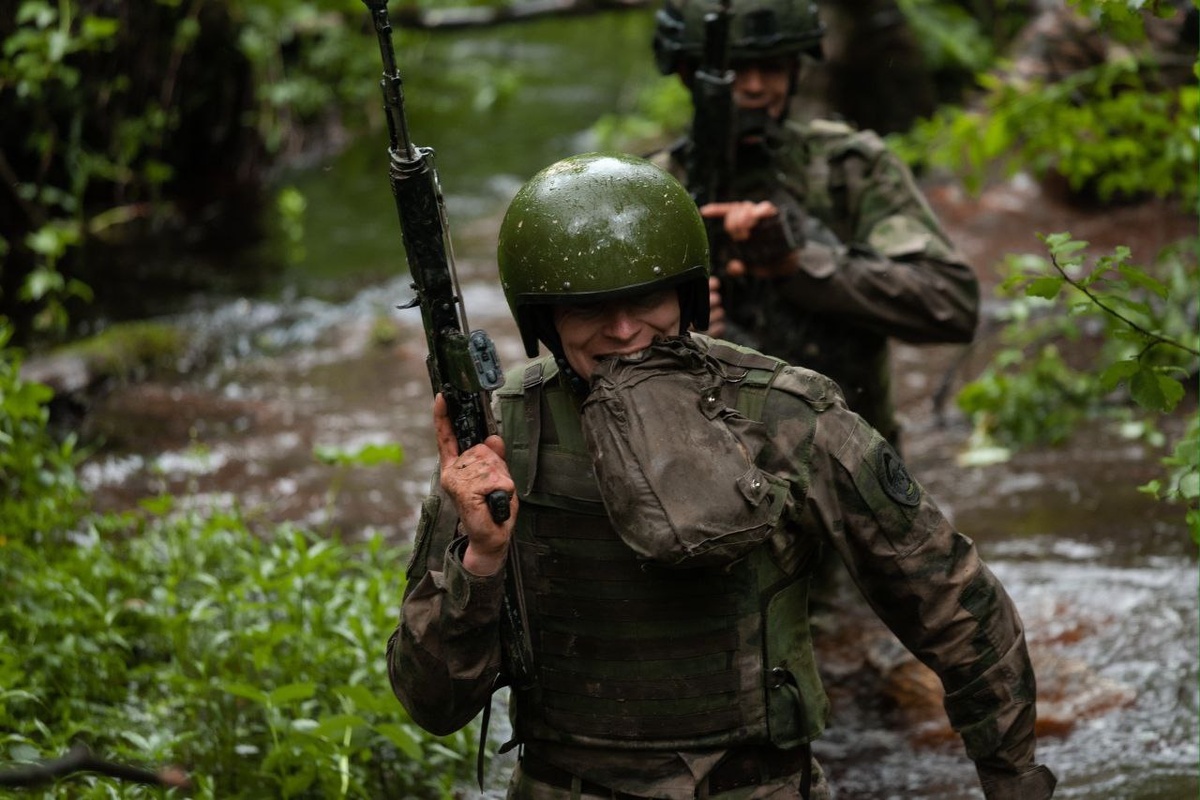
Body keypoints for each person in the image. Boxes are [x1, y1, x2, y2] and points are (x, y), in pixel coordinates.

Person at [387, 152, 1056, 800]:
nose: (624, 330)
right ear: (543, 318)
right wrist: (481, 559)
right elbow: (432, 702)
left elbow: (954, 603)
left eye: (645, 298)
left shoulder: (787, 414)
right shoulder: (506, 442)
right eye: (589, 308)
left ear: (685, 292)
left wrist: (1012, 776)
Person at [650, 0, 979, 448]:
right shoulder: (651, 193)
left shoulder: (849, 169)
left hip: (853, 462)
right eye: (733, 71)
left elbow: (951, 304)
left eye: (771, 68)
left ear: (794, 70)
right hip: (713, 463)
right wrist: (668, 336)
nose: (754, 88)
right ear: (690, 75)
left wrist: (798, 265)